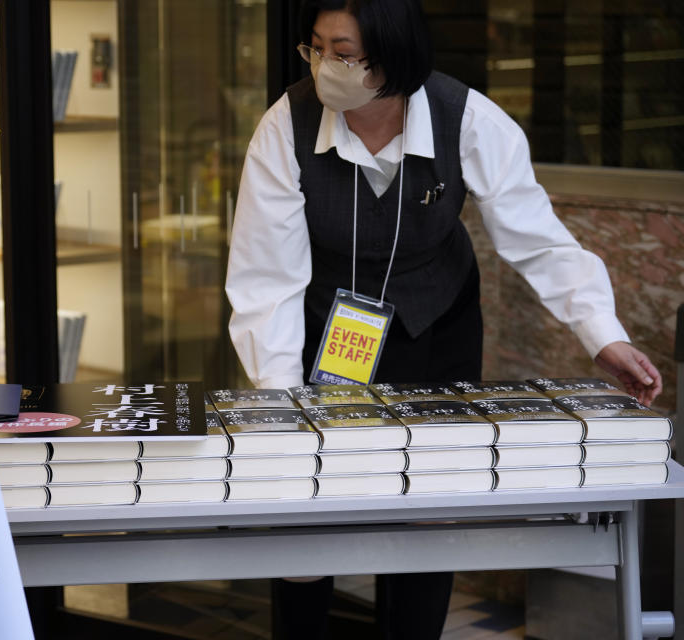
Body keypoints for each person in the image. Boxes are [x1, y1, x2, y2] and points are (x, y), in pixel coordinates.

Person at [224, 0, 663, 638]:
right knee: (306, 507)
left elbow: (538, 238)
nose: (325, 67)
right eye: (315, 49)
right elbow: (267, 278)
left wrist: (604, 336)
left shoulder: (468, 118)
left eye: (344, 53)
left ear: (391, 54)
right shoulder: (284, 125)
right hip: (319, 333)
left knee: (428, 505)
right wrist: (283, 402)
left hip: (437, 327)